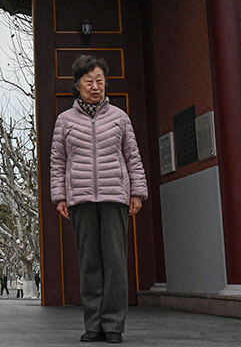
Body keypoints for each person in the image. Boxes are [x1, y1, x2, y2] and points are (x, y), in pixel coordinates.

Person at [50, 55, 148, 345]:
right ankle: (93, 324)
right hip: (80, 198)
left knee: (116, 263)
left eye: (100, 81)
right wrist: (60, 197)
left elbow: (133, 157)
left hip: (114, 196)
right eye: (89, 81)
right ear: (77, 85)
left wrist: (137, 192)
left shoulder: (120, 118)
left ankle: (114, 325)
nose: (96, 87)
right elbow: (58, 161)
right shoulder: (64, 121)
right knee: (89, 263)